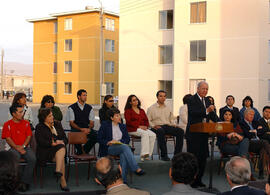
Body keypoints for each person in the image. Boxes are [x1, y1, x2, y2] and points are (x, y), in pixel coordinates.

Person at [98, 107, 145, 184]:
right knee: (125, 147)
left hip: (121, 147)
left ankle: (123, 180)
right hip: (109, 148)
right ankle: (135, 168)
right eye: (117, 116)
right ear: (111, 118)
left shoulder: (122, 126)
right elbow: (99, 138)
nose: (119, 117)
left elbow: (127, 139)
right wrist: (109, 142)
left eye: (119, 115)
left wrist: (119, 141)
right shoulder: (105, 125)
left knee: (123, 153)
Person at [186, 81, 219, 188]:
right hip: (194, 134)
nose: (205, 91)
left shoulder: (207, 100)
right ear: (198, 89)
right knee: (193, 159)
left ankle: (199, 179)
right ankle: (192, 181)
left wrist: (221, 122)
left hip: (203, 135)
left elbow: (212, 115)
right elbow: (193, 112)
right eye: (203, 89)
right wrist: (206, 110)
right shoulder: (191, 99)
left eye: (206, 89)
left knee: (203, 158)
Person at [1, 104, 36, 192]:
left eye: (23, 111)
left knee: (32, 158)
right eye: (20, 112)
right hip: (13, 148)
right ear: (13, 114)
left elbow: (28, 136)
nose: (23, 114)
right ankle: (14, 183)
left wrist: (23, 146)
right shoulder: (7, 124)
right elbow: (8, 139)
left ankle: (24, 182)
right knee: (14, 159)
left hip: (25, 147)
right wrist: (17, 148)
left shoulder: (26, 123)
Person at [35, 108, 69, 191]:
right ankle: (62, 181)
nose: (52, 117)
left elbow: (65, 139)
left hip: (58, 151)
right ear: (44, 118)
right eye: (50, 116)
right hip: (45, 152)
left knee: (61, 148)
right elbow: (40, 141)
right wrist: (51, 143)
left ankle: (58, 171)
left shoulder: (57, 124)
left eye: (52, 115)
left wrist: (61, 141)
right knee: (61, 157)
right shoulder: (39, 127)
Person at [147, 90, 184, 161]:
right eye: (160, 96)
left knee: (180, 131)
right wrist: (153, 125)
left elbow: (172, 119)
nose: (163, 98)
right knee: (160, 131)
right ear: (157, 97)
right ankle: (164, 155)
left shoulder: (168, 107)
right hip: (156, 127)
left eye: (164, 96)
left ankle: (177, 155)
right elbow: (148, 120)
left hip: (166, 126)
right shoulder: (151, 108)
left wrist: (174, 125)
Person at [239, 108, 270, 179]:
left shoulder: (255, 122)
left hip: (258, 143)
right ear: (245, 115)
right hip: (248, 143)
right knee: (265, 142)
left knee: (263, 150)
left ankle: (261, 173)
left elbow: (264, 130)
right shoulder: (241, 123)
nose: (252, 116)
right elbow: (246, 134)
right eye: (250, 114)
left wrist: (254, 131)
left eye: (253, 115)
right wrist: (257, 131)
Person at [124, 95, 156, 161]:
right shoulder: (128, 111)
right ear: (130, 103)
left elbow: (146, 120)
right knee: (145, 134)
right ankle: (143, 154)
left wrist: (145, 126)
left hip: (142, 128)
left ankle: (148, 155)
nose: (136, 101)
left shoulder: (142, 111)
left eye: (136, 99)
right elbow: (129, 122)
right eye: (134, 100)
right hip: (132, 129)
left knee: (153, 135)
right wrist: (139, 126)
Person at [66, 89, 97, 155]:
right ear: (78, 96)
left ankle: (84, 150)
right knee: (76, 135)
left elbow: (92, 122)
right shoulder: (71, 108)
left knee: (96, 136)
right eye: (84, 95)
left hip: (87, 129)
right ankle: (80, 152)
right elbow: (71, 123)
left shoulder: (89, 108)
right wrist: (81, 129)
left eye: (86, 95)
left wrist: (88, 129)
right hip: (76, 129)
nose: (85, 97)